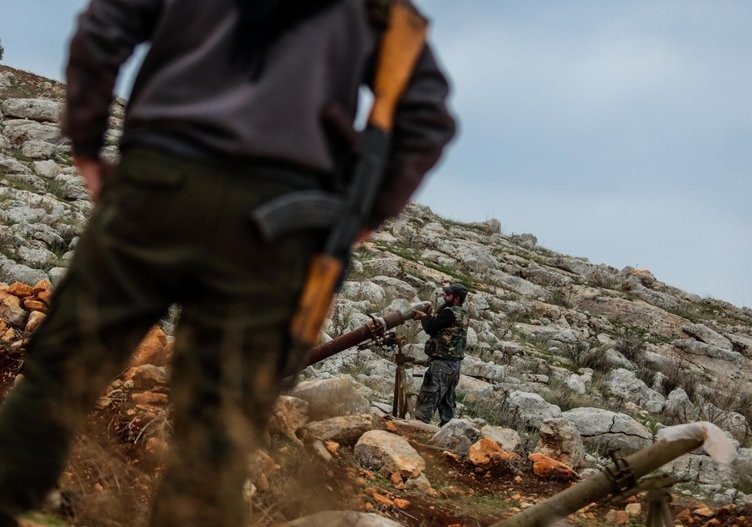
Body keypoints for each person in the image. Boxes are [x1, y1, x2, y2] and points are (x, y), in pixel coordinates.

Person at [0, 0, 455, 525]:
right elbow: (427, 116)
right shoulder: (377, 10)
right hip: (278, 223)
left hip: (159, 185)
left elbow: (105, 25)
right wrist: (365, 215)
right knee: (221, 421)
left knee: (65, 365)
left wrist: (86, 141)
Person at [413, 283, 470, 426]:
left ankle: (419, 428)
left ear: (456, 298)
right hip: (454, 365)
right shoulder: (463, 313)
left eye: (448, 295)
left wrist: (424, 318)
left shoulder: (449, 312)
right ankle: (448, 430)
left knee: (429, 396)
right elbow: (441, 328)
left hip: (442, 364)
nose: (445, 297)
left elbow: (431, 327)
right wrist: (429, 316)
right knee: (447, 401)